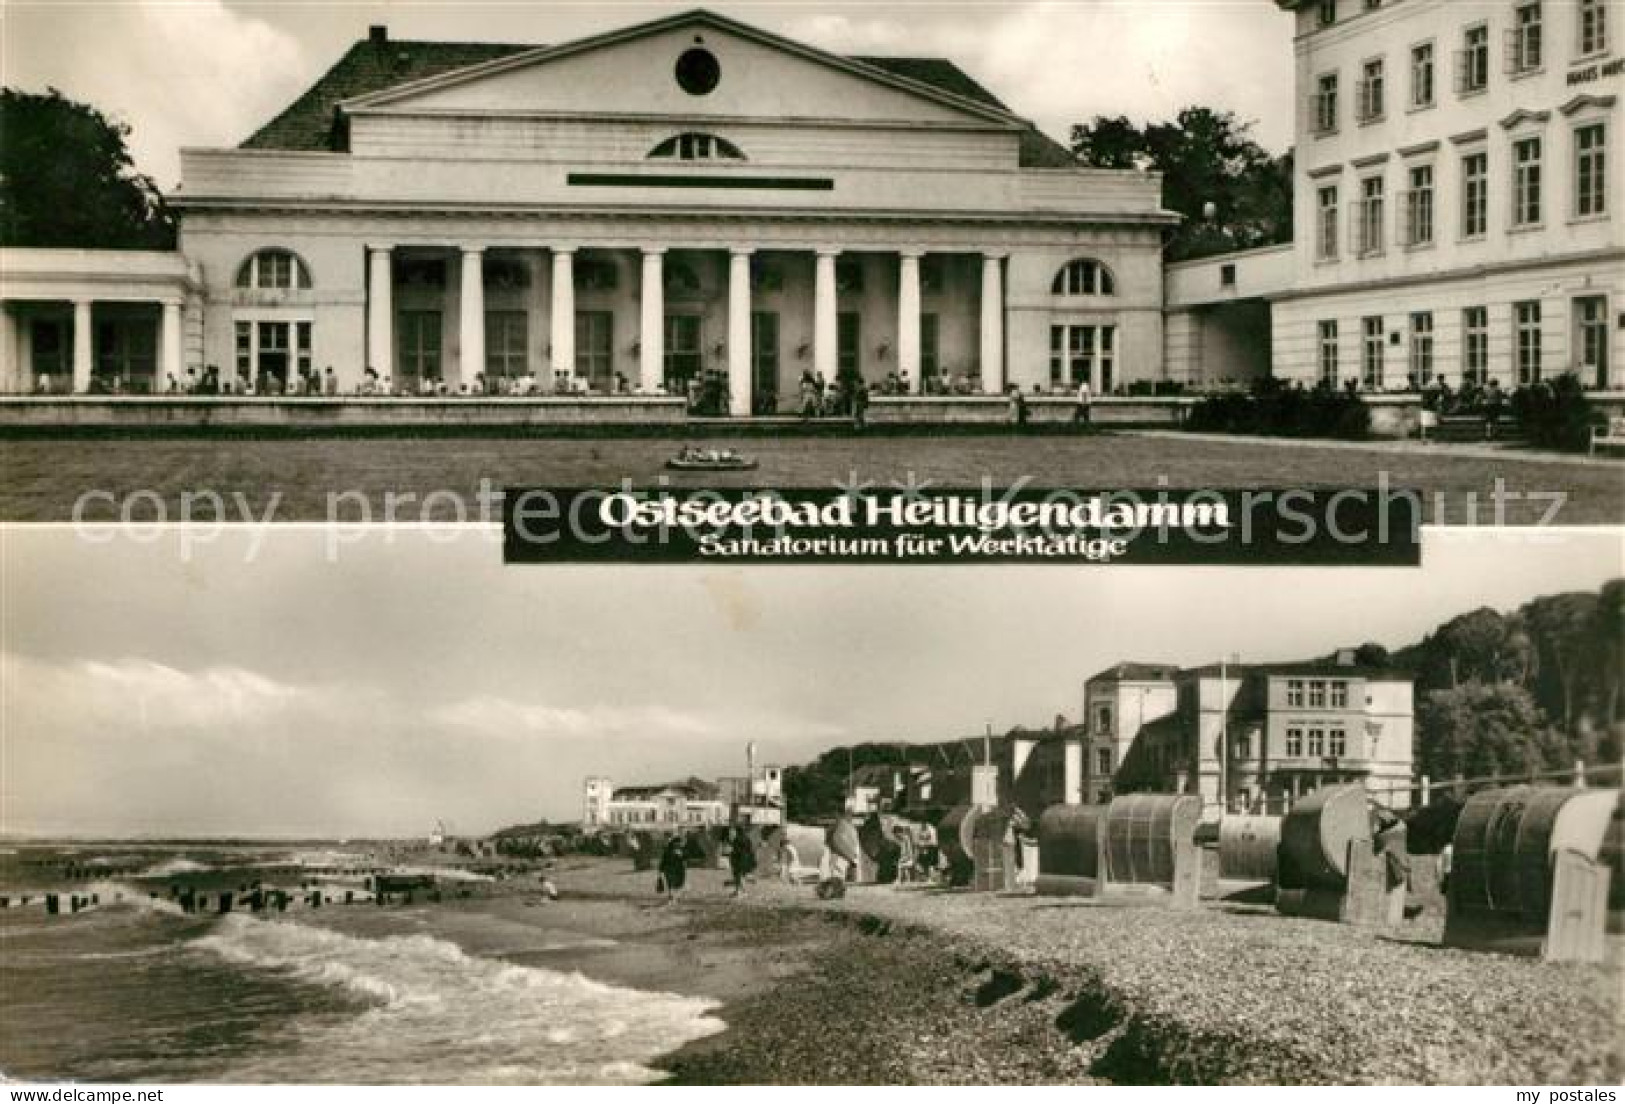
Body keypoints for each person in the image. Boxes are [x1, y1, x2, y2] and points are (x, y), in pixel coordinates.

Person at [657, 834, 688, 905]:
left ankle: (674, 897)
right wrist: (660, 870)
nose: (678, 844)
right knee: (671, 883)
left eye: (679, 843)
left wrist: (682, 855)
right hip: (670, 870)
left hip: (678, 870)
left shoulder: (681, 850)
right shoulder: (668, 850)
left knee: (678, 884)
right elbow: (664, 860)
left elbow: (686, 857)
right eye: (677, 843)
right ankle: (672, 897)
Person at [727, 825, 756, 897]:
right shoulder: (747, 838)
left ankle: (739, 892)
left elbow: (736, 851)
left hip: (740, 860)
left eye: (734, 831)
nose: (733, 832)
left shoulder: (737, 839)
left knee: (738, 876)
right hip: (744, 860)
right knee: (740, 876)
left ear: (737, 831)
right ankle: (740, 891)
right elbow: (750, 850)